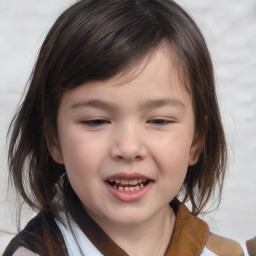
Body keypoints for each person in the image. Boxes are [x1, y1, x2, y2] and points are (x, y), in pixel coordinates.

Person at [3, 0, 244, 255]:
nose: (129, 148)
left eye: (159, 121)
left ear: (196, 141)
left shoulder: (224, 252)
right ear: (54, 140)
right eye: (96, 121)